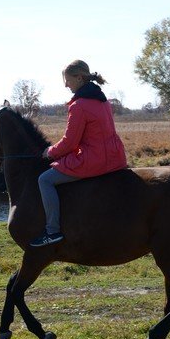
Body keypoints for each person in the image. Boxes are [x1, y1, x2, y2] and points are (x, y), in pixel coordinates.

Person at [30, 60, 128, 247]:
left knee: (45, 180)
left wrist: (49, 152)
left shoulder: (79, 105)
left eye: (68, 80)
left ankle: (52, 231)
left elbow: (70, 143)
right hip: (115, 158)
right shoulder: (103, 100)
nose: (66, 85)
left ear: (79, 78)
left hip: (94, 161)